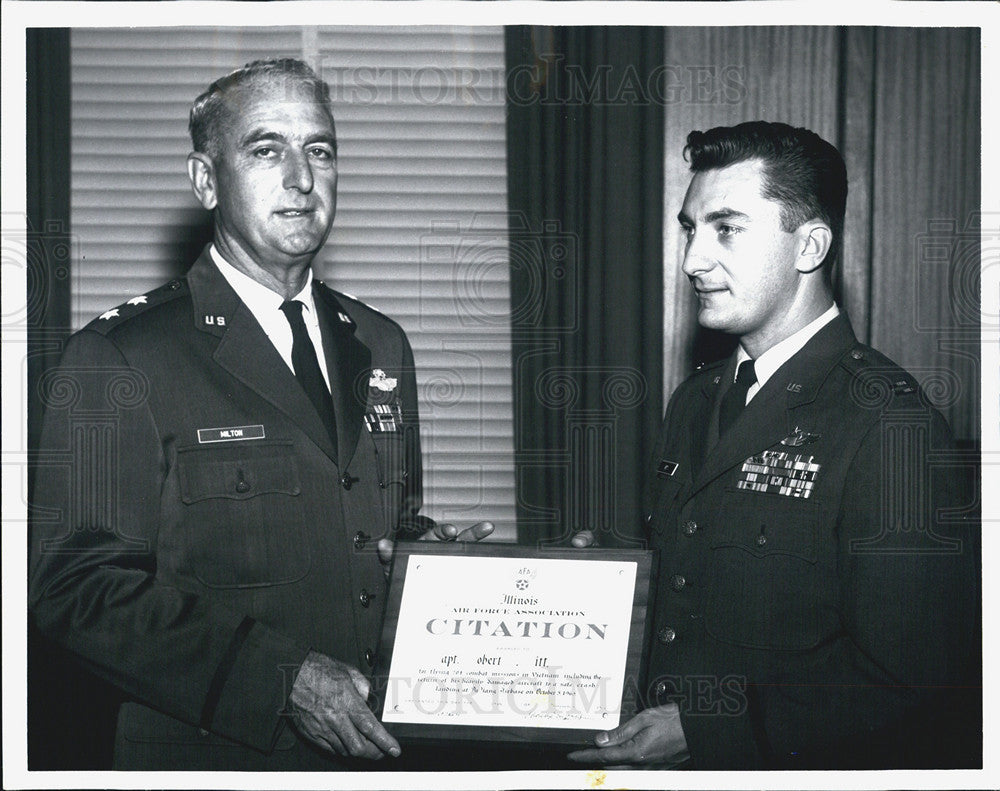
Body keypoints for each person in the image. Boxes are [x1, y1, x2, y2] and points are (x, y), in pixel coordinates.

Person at [28, 58, 492, 771]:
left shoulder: (381, 342)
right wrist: (284, 679)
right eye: (266, 149)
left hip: (381, 757)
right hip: (215, 758)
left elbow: (363, 524)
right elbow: (76, 591)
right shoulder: (121, 355)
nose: (302, 179)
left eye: (320, 150)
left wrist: (436, 560)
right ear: (205, 181)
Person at [569, 121, 980, 769]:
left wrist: (708, 724)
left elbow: (917, 679)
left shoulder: (887, 422)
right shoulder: (695, 400)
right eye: (689, 228)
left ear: (809, 245)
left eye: (726, 228)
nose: (692, 261)